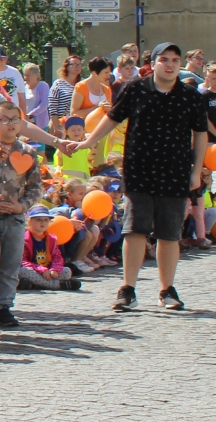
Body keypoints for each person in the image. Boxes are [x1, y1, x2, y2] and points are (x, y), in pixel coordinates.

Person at [83, 41, 210, 312]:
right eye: (164, 59)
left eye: (175, 60)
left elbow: (200, 133)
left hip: (175, 173)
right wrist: (88, 142)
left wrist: (196, 170)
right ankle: (128, 289)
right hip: (139, 171)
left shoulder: (190, 95)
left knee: (169, 234)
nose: (170, 65)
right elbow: (113, 118)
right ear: (153, 64)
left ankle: (167, 290)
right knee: (134, 231)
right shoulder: (136, 88)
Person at [0, 102, 44, 327]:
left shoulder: (28, 152)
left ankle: (5, 306)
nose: (10, 124)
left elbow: (36, 187)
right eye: (4, 119)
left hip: (14, 218)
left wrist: (22, 206)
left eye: (15, 119)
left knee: (10, 265)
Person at [20, 207, 81, 291]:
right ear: (30, 221)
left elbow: (57, 258)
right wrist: (41, 269)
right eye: (38, 219)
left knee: (67, 271)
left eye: (46, 220)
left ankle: (34, 285)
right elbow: (22, 261)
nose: (43, 222)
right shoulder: (24, 239)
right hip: (34, 270)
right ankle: (57, 285)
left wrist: (55, 269)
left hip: (48, 272)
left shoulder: (52, 239)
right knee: (23, 271)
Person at [49, 53, 83, 130]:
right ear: (67, 67)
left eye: (79, 65)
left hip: (79, 126)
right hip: (62, 124)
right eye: (74, 64)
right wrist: (56, 126)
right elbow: (52, 106)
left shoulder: (84, 83)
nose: (77, 67)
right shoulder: (58, 84)